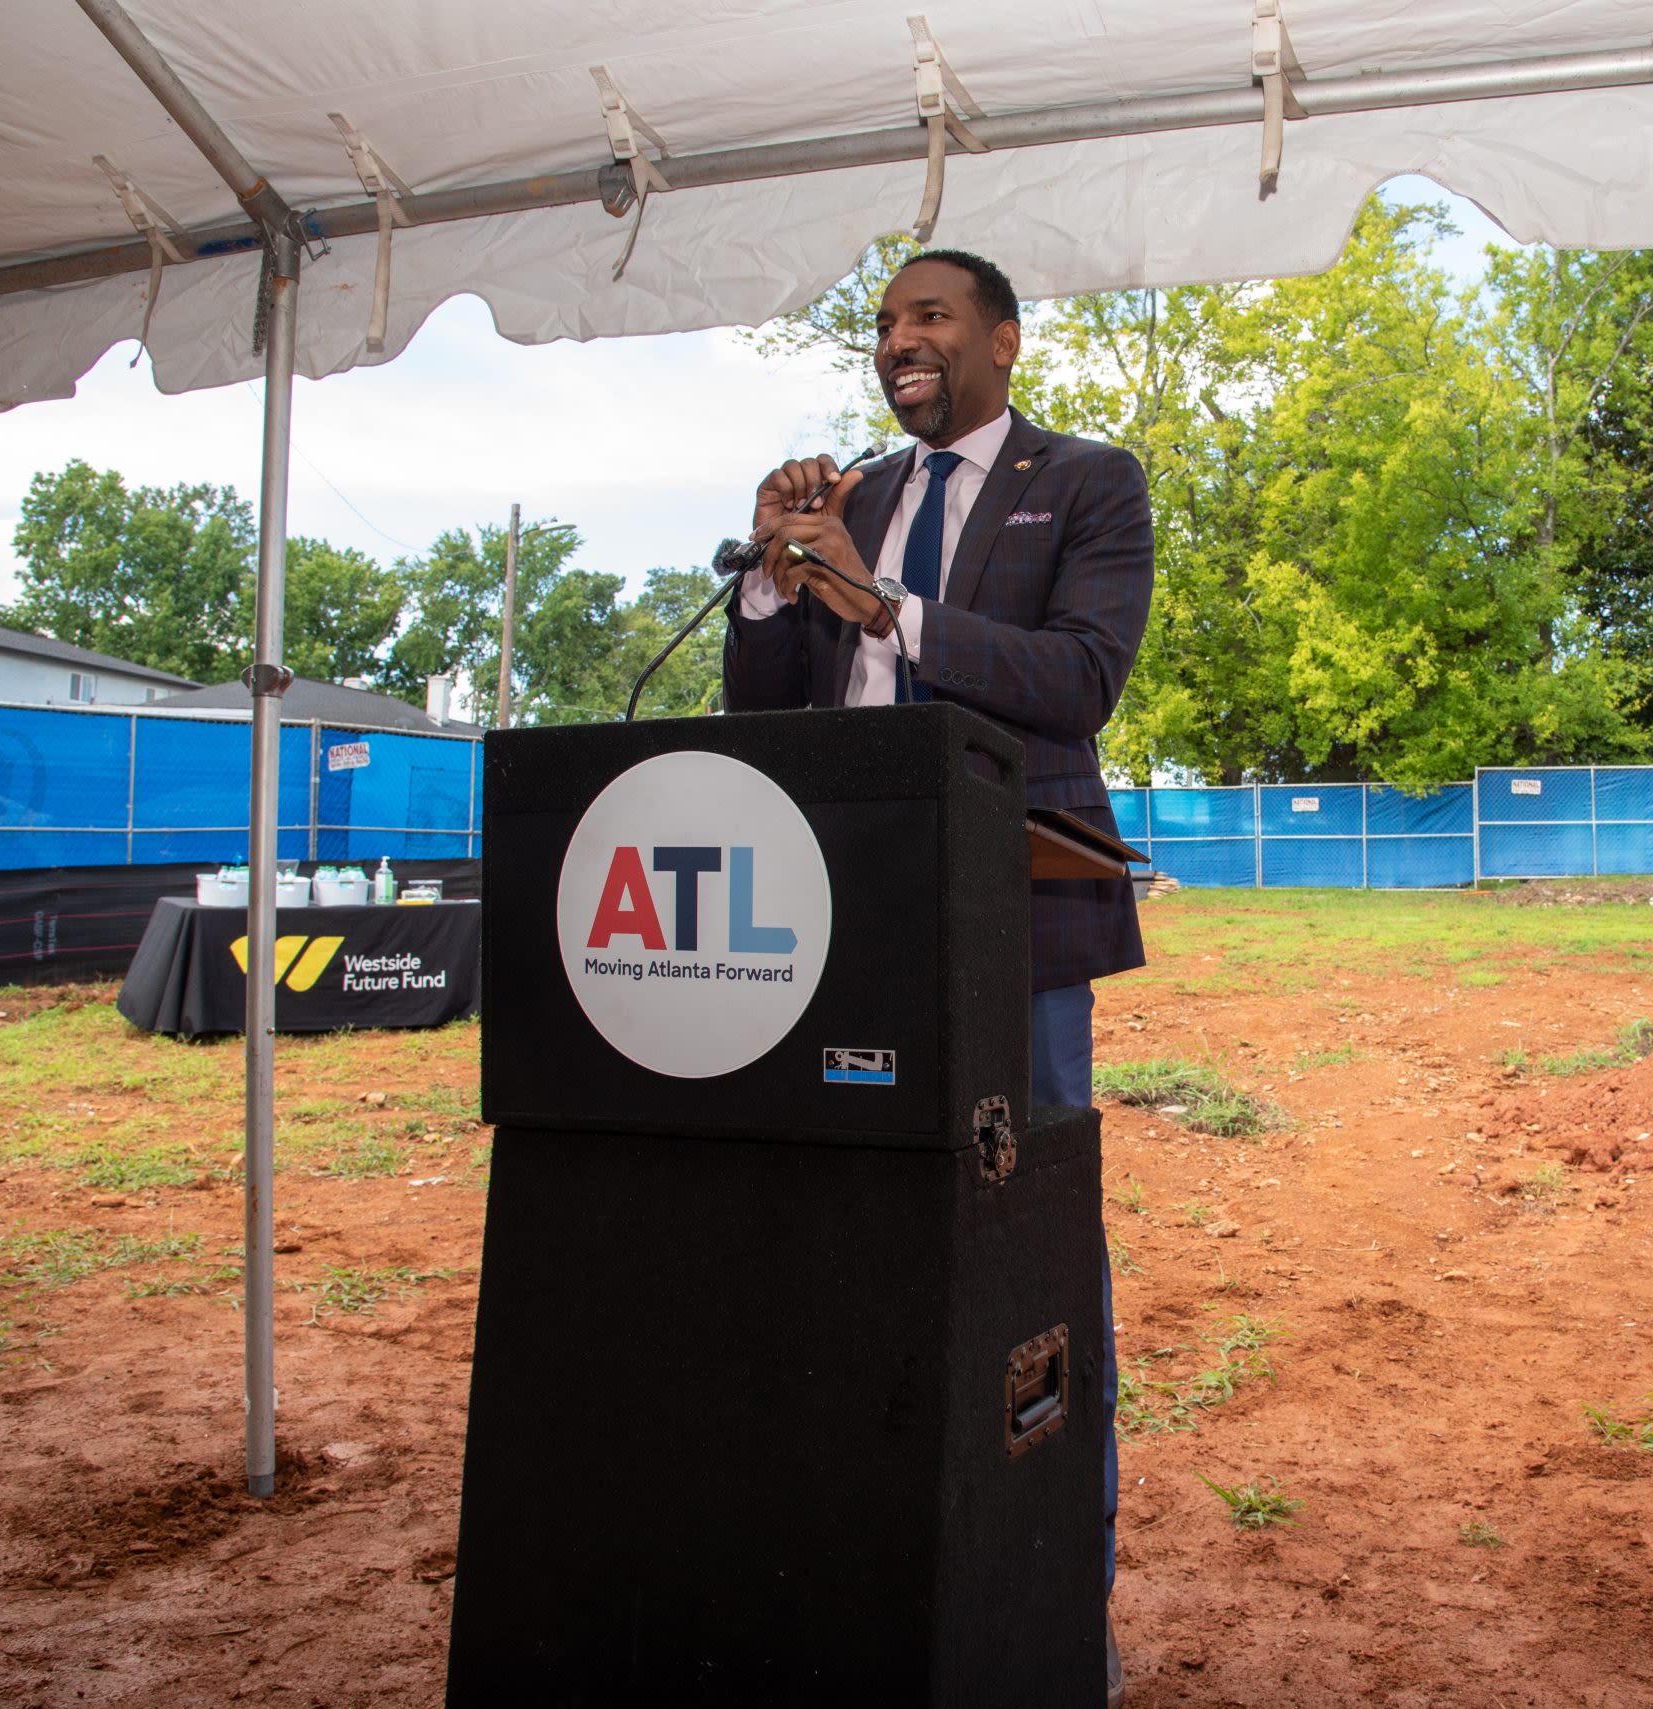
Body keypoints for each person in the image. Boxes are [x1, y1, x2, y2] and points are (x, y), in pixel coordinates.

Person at [721, 248, 1151, 1705]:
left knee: (1029, 1224)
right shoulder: (858, 497)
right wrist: (778, 579)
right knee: (864, 1221)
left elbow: (1079, 677)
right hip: (849, 921)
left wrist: (886, 608)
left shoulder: (1087, 481)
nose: (900, 341)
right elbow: (766, 715)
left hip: (1023, 911)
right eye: (886, 324)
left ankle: (1059, 1577)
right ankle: (870, 1540)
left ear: (1003, 342)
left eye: (929, 317)